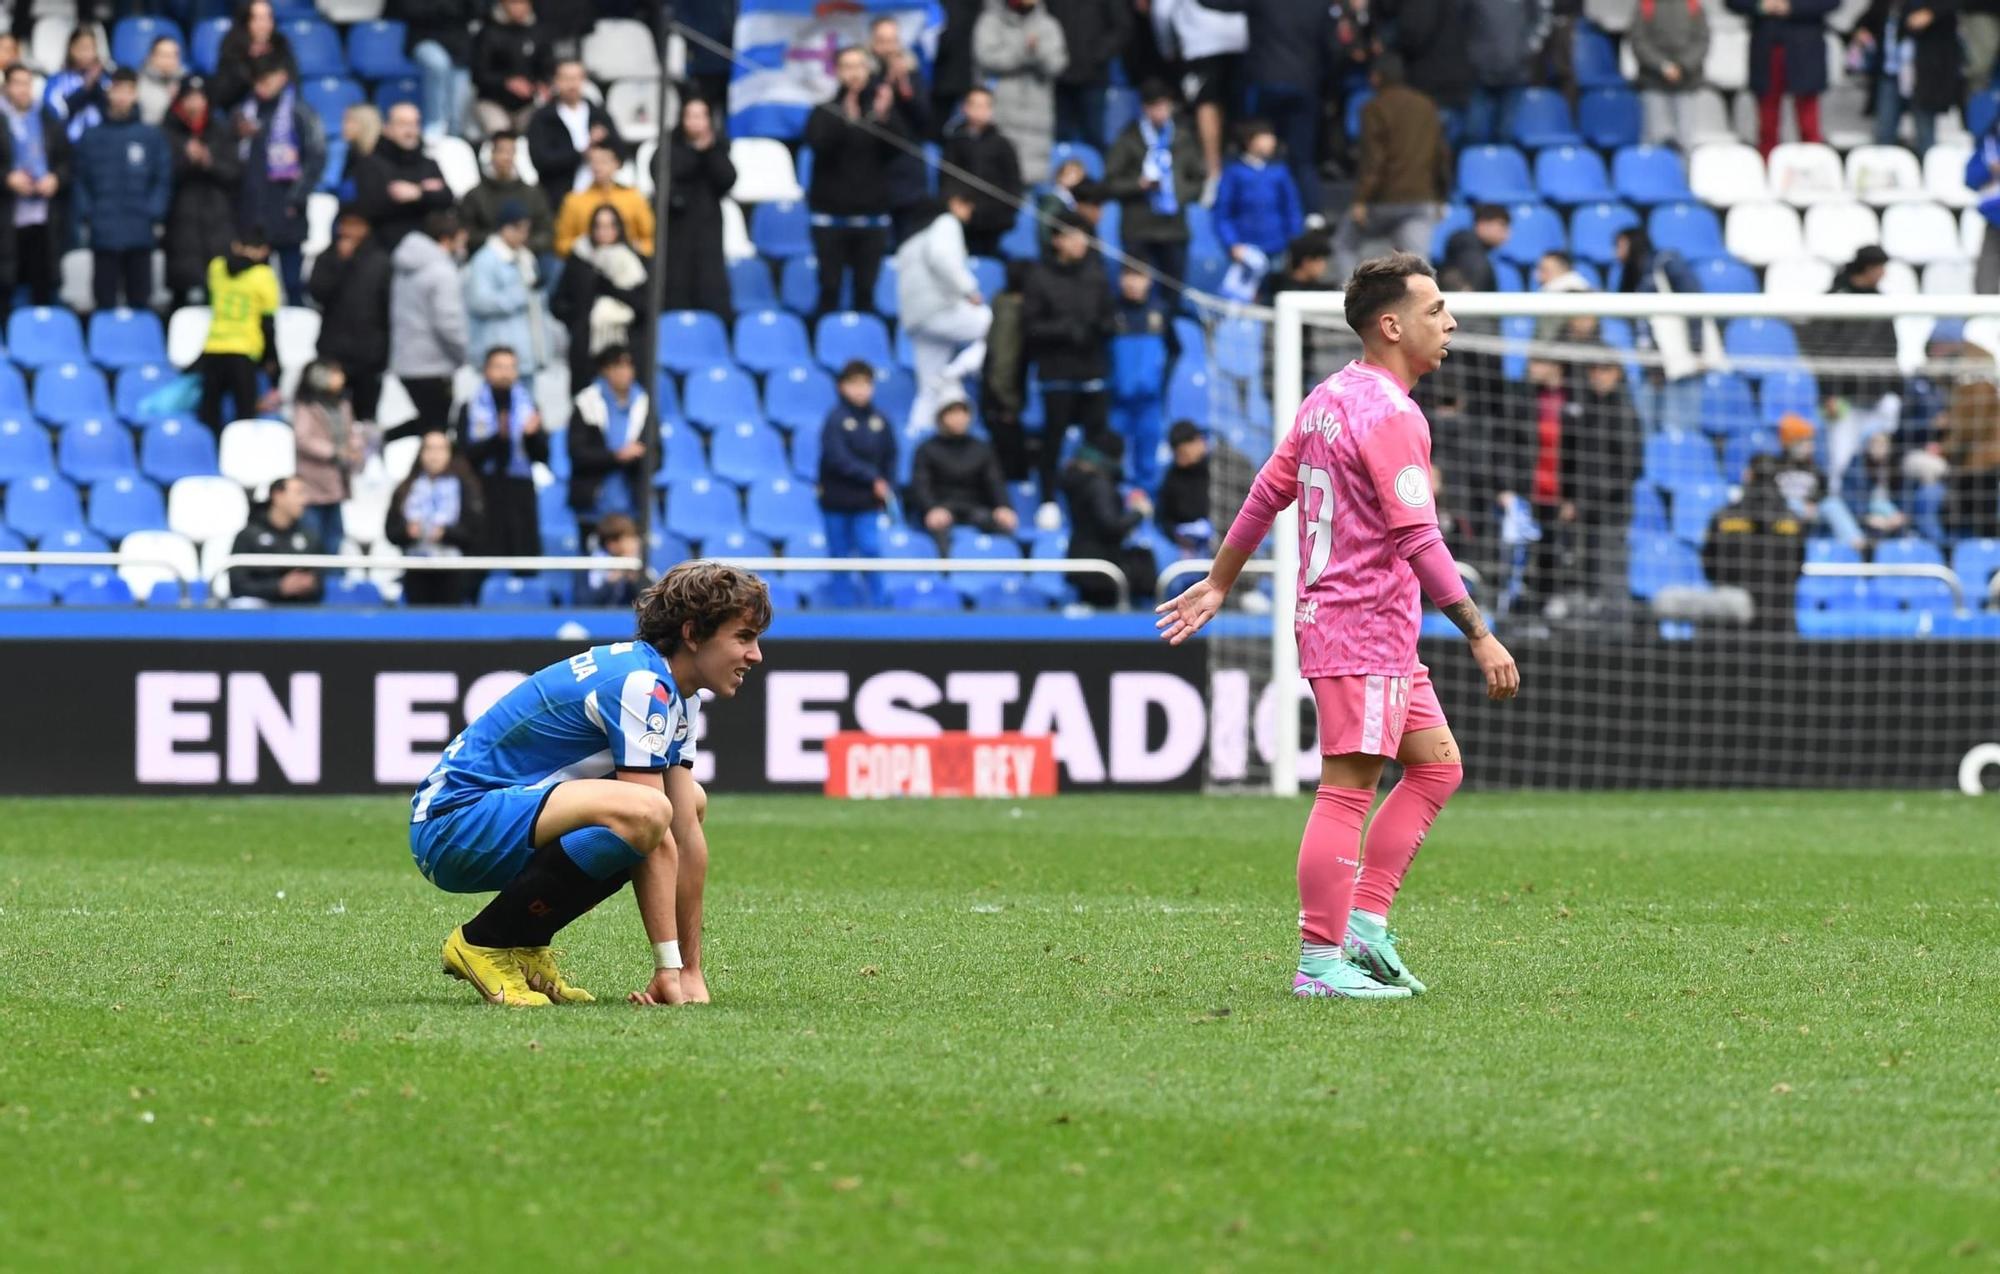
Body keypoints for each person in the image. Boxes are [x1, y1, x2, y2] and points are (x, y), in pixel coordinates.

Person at [1156, 252, 1520, 1002]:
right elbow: (1420, 540)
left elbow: (1268, 490)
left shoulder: (1329, 397)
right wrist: (1480, 633)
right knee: (1347, 789)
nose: (1449, 322)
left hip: (1357, 623)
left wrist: (1221, 580)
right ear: (1391, 325)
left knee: (1438, 766)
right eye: (1435, 309)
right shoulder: (1391, 414)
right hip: (1363, 624)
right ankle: (1319, 961)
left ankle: (1366, 926)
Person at [409, 560, 769, 1008]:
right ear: (693, 634)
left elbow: (684, 831)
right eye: (743, 637)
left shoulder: (678, 691)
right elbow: (653, 830)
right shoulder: (642, 684)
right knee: (646, 813)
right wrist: (667, 970)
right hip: (451, 826)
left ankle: (523, 944)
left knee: (686, 803)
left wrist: (692, 972)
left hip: (498, 820)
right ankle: (484, 941)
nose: (756, 655)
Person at [1193, 0, 1330, 211]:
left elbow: (1217, 4)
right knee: (1303, 159)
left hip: (1266, 85)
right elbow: (1330, 46)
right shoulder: (1318, 4)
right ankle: (1312, 216)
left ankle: (1261, 211)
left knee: (1259, 154)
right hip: (1305, 85)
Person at [1023, 210, 1115, 506]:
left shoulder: (1096, 274)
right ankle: (1048, 499)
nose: (1080, 243)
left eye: (1084, 236)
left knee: (1095, 442)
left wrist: (1104, 327)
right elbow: (1030, 328)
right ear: (1057, 239)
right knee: (1053, 440)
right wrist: (1066, 331)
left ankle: (1093, 502)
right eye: (1073, 236)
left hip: (1092, 372)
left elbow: (1108, 318)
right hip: (1057, 373)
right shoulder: (1040, 277)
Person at [804, 47, 901, 318]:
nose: (854, 72)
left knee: (865, 293)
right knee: (829, 290)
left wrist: (884, 119)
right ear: (837, 71)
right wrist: (843, 120)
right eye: (847, 66)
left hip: (871, 220)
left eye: (859, 65)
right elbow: (818, 145)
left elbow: (900, 152)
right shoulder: (824, 111)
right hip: (830, 219)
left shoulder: (881, 111)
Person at [1336, 54, 1450, 281]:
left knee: (1343, 244)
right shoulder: (1426, 105)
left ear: (1376, 77)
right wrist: (1441, 195)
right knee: (1419, 269)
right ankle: (1426, 314)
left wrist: (1361, 199)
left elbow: (1374, 160)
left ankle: (1352, 304)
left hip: (1384, 200)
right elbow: (1442, 154)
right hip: (1422, 199)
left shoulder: (1374, 108)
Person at [897, 185, 991, 438]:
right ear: (957, 203)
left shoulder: (912, 239)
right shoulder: (946, 223)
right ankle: (954, 373)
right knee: (996, 326)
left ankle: (915, 439)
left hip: (917, 319)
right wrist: (970, 290)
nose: (969, 214)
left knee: (928, 390)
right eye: (968, 206)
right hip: (938, 308)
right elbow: (942, 258)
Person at [74, 69, 170, 312]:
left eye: (129, 90)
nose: (123, 96)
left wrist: (153, 211)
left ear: (136, 94)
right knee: (104, 300)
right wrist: (89, 213)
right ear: (109, 92)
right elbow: (80, 179)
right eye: (118, 90)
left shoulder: (151, 136)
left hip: (140, 229)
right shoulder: (92, 136)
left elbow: (163, 178)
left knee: (140, 300)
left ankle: (138, 348)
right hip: (104, 231)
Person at [232, 57, 325, 302]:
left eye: (267, 78)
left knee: (292, 283)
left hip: (287, 211)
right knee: (254, 288)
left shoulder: (300, 112)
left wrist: (296, 198)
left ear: (282, 76)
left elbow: (316, 157)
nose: (262, 86)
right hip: (252, 213)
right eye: (257, 80)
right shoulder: (243, 113)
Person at [1104, 80, 1204, 285]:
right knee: (1137, 291)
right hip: (1138, 227)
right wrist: (1138, 184)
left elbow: (1199, 178)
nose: (1162, 112)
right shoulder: (1128, 138)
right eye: (1156, 106)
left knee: (1174, 288)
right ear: (1145, 108)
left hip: (1174, 227)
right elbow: (1110, 183)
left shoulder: (1182, 138)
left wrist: (1179, 192)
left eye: (1166, 105)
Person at [454, 345, 546, 559]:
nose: (505, 372)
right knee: (481, 557)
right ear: (486, 370)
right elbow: (464, 455)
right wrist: (497, 439)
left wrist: (531, 436)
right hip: (483, 489)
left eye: (511, 367)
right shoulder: (470, 407)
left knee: (523, 555)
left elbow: (543, 456)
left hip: (519, 491)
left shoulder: (529, 405)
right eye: (499, 366)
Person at [818, 361, 897, 606]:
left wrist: (886, 484)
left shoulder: (880, 420)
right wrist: (872, 478)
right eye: (854, 384)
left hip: (867, 502)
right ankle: (841, 612)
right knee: (839, 557)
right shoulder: (835, 419)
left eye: (866, 384)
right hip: (836, 501)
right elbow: (837, 458)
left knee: (870, 550)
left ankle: (879, 606)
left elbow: (891, 456)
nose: (861, 390)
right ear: (842, 387)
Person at [552, 204, 651, 394]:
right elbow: (558, 303)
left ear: (619, 228)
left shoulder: (632, 261)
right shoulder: (579, 260)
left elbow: (644, 306)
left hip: (624, 347)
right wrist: (581, 319)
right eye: (598, 226)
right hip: (586, 349)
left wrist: (612, 289)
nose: (604, 231)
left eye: (610, 225)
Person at [1703, 453, 1807, 630]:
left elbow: (1709, 565)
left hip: (1733, 622)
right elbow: (1798, 565)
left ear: (1748, 475)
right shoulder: (1793, 520)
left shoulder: (1723, 517)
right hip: (1778, 620)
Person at [390, 208, 471, 435]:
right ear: (446, 240)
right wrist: (464, 354)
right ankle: (383, 440)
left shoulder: (406, 267)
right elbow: (448, 322)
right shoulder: (442, 272)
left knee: (428, 424)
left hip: (406, 359)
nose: (463, 248)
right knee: (436, 429)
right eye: (460, 241)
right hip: (433, 364)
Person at [308, 208, 392, 425]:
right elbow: (317, 293)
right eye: (346, 225)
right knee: (326, 415)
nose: (350, 231)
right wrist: (340, 263)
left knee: (366, 417)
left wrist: (383, 352)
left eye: (357, 225)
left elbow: (388, 308)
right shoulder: (327, 257)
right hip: (332, 352)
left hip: (369, 354)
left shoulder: (381, 261)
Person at [163, 77, 240, 312]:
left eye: (199, 98)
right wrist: (186, 160)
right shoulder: (167, 132)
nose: (194, 104)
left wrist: (209, 162)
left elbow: (235, 173)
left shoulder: (221, 131)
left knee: (217, 290)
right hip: (181, 222)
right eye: (189, 98)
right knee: (182, 291)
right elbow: (160, 175)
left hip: (218, 222)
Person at [973, 0, 1069, 184]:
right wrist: (1024, 50)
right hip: (1000, 112)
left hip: (1037, 118)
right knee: (997, 181)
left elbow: (1058, 63)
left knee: (1032, 181)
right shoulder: (990, 21)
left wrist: (1037, 50)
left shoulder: (1048, 24)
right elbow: (986, 57)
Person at [386, 428, 485, 605]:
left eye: (440, 449)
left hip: (451, 571)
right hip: (416, 569)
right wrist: (407, 532)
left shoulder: (465, 487)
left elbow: (475, 532)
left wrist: (446, 533)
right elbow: (390, 530)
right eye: (429, 449)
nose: (434, 455)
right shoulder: (406, 487)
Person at [198, 230, 281, 434]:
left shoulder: (216, 267)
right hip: (244, 350)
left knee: (210, 414)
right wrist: (272, 359)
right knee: (245, 415)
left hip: (213, 347)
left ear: (236, 245)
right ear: (263, 251)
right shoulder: (263, 276)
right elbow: (267, 322)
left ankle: (211, 457)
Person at [2, 64, 68, 315]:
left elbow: (67, 162)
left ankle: (40, 341)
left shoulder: (47, 119)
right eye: (17, 83)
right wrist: (7, 179)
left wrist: (56, 179)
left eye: (27, 83)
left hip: (43, 214)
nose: (23, 89)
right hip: (7, 215)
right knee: (6, 283)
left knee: (41, 282)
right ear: (7, 86)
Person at [1729, 0, 1836, 155]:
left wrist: (1792, 7)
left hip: (1805, 48)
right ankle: (1768, 170)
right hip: (1767, 48)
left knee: (1808, 124)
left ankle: (1813, 170)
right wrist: (1761, 6)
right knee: (1767, 125)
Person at [1060, 433, 1157, 605]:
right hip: (1101, 568)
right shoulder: (1099, 485)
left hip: (1084, 562)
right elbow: (1110, 526)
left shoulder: (1078, 480)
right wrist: (1139, 513)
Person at [662, 97, 736, 320]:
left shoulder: (718, 149)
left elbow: (727, 179)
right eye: (690, 116)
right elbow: (665, 178)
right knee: (676, 290)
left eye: (700, 116)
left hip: (708, 232)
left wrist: (709, 151)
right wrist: (697, 154)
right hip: (676, 231)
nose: (695, 122)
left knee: (710, 290)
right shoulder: (669, 149)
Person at [1853, 0, 1958, 154]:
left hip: (1923, 75)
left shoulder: (1936, 6)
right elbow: (1864, 21)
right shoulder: (1886, 4)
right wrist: (1861, 32)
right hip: (1890, 73)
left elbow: (1951, 11)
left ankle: (1927, 172)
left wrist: (1931, 14)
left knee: (1925, 132)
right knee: (1884, 131)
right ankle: (1884, 172)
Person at [567, 344, 654, 532]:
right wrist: (616, 456)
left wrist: (639, 455)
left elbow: (658, 455)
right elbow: (577, 453)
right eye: (618, 366)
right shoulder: (586, 403)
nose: (625, 372)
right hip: (593, 506)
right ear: (605, 370)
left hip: (633, 504)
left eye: (628, 366)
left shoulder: (644, 404)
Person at [911, 399, 1016, 549]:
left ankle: (1006, 571)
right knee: (939, 528)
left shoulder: (981, 448)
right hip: (941, 507)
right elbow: (921, 484)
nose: (958, 418)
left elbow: (995, 481)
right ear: (942, 417)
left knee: (1003, 526)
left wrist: (1004, 506)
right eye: (952, 413)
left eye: (962, 412)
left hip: (975, 508)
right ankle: (945, 572)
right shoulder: (927, 449)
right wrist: (931, 508)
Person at [464, 199, 550, 380]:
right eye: (519, 229)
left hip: (528, 354)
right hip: (499, 355)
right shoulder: (485, 260)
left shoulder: (526, 257)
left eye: (526, 229)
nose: (523, 235)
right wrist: (520, 295)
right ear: (504, 228)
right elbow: (479, 301)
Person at [351, 102, 453, 251]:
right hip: (386, 246)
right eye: (403, 124)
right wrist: (425, 194)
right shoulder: (370, 164)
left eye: (415, 124)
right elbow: (371, 206)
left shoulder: (429, 163)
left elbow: (447, 198)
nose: (411, 130)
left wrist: (417, 193)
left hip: (427, 245)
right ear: (387, 128)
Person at [1214, 118, 1303, 288]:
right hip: (1246, 250)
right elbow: (1222, 213)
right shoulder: (1234, 173)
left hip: (1278, 247)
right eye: (1265, 136)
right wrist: (1233, 244)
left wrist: (1294, 241)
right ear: (1249, 141)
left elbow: (1292, 208)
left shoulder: (1279, 172)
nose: (1271, 142)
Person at [868, 15, 934, 242]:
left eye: (892, 40)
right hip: (873, 176)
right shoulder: (864, 77)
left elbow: (925, 120)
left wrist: (904, 85)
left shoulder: (912, 77)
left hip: (908, 177)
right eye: (882, 40)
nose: (888, 48)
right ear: (873, 43)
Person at [1108, 266, 1173, 492]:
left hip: (1149, 401)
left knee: (1147, 459)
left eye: (1139, 276)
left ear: (1149, 280)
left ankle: (1144, 509)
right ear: (1120, 279)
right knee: (1111, 455)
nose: (1133, 283)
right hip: (1116, 400)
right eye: (1128, 275)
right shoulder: (1110, 310)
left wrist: (1160, 380)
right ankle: (1113, 507)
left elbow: (1175, 349)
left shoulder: (1160, 310)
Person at [291, 358, 366, 550]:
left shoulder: (342, 404)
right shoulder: (306, 406)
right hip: (314, 481)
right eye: (335, 373)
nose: (341, 378)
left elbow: (351, 432)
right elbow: (303, 439)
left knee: (335, 535)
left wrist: (354, 448)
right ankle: (315, 577)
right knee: (312, 535)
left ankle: (334, 578)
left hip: (338, 479)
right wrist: (333, 452)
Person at [941, 87, 1023, 257]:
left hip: (994, 222)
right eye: (975, 105)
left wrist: (982, 211)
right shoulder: (954, 142)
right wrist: (956, 203)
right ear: (965, 107)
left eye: (985, 106)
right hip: (961, 217)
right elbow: (947, 179)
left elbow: (1013, 189)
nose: (980, 111)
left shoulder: (1003, 145)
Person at [226, 474, 326, 605]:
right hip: (259, 612)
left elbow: (320, 584)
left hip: (299, 610)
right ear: (277, 495)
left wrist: (308, 584)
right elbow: (238, 586)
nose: (304, 500)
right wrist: (279, 587)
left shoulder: (309, 536)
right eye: (299, 493)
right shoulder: (248, 535)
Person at [390, 0, 480, 140]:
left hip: (458, 47)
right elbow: (408, 9)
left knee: (461, 87)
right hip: (424, 38)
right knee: (437, 64)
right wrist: (446, 8)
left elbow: (477, 10)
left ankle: (455, 134)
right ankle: (434, 124)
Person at [526, 60, 616, 200]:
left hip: (601, 196)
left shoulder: (599, 114)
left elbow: (619, 151)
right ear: (556, 81)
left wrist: (602, 152)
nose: (572, 85)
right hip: (558, 197)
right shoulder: (543, 118)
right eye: (566, 79)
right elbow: (541, 160)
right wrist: (581, 153)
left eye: (576, 78)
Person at [1464, 0, 1550, 144]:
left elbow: (1541, 18)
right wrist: (1472, 54)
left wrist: (1526, 49)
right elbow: (1459, 21)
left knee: (1506, 136)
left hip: (1515, 74)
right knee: (1474, 135)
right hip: (1478, 74)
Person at [1047, 0, 1129, 147]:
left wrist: (1097, 55)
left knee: (1094, 136)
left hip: (1093, 79)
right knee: (1060, 139)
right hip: (1059, 78)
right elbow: (1043, 19)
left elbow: (1122, 28)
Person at [1631, 0, 1711, 148]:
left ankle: (1684, 170)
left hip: (1687, 82)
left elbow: (1702, 39)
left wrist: (1682, 66)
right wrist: (1663, 66)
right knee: (1655, 139)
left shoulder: (1693, 4)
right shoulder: (1646, 4)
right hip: (1653, 82)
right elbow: (1638, 40)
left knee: (1685, 140)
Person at [554, 141, 655, 257]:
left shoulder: (633, 198)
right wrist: (582, 248)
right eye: (593, 162)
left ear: (616, 164)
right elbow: (561, 243)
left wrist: (631, 248)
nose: (597, 167)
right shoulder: (574, 200)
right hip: (587, 267)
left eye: (603, 161)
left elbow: (650, 240)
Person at [461, 130, 553, 258]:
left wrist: (524, 243)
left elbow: (546, 232)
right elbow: (466, 234)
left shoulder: (533, 193)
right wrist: (498, 241)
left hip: (528, 254)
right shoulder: (474, 195)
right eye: (501, 151)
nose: (506, 157)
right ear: (491, 153)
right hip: (488, 257)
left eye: (511, 152)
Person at [473, 0, 555, 136]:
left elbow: (548, 67)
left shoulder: (538, 32)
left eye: (523, 3)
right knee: (502, 135)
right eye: (514, 3)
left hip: (528, 104)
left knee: (543, 124)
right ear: (503, 4)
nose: (518, 7)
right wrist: (506, 82)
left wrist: (541, 84)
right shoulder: (488, 32)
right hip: (493, 102)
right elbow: (478, 75)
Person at [211, 1, 296, 113]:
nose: (264, 25)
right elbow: (222, 96)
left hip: (278, 110)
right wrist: (252, 82)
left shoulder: (280, 44)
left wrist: (277, 83)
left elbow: (293, 80)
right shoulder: (231, 47)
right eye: (258, 19)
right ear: (246, 22)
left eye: (268, 18)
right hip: (240, 113)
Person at [1156, 420, 1218, 553]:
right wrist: (1177, 537)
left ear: (1198, 442)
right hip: (1188, 550)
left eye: (1183, 453)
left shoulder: (1222, 467)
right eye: (1177, 454)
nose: (1180, 459)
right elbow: (1163, 518)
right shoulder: (1172, 476)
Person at [44, 26, 109, 143]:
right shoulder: (57, 80)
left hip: (101, 144)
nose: (86, 53)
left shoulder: (105, 79)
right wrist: (85, 87)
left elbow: (113, 111)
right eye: (82, 48)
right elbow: (57, 113)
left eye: (91, 48)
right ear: (71, 48)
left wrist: (97, 86)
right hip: (68, 145)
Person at [579, 512, 648, 607]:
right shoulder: (591, 563)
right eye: (628, 538)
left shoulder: (642, 561)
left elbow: (649, 603)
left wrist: (634, 578)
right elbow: (585, 603)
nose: (634, 543)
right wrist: (613, 580)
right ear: (611, 545)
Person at [1442, 204, 1509, 293]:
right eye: (1502, 226)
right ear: (1482, 224)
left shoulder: (1482, 253)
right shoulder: (1465, 245)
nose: (1507, 234)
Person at [137, 37, 184, 128]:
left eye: (174, 55)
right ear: (152, 57)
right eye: (165, 55)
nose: (170, 61)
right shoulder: (138, 84)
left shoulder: (186, 83)